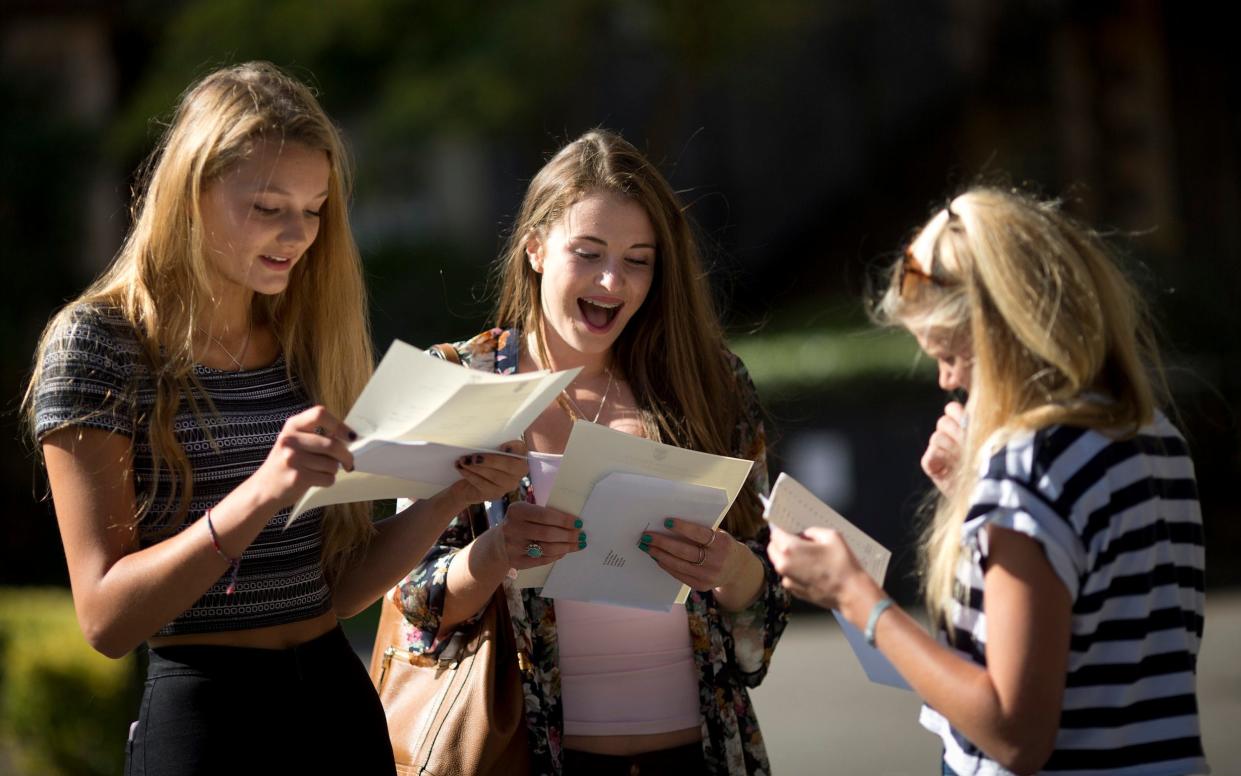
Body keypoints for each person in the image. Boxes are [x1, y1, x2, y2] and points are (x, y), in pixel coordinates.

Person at [23, 61, 524, 775]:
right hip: (209, 722)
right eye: (269, 207)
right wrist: (261, 492)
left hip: (337, 706)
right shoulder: (101, 344)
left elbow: (332, 588)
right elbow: (105, 619)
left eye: (314, 209)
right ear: (191, 195)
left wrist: (452, 494)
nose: (298, 234)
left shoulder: (303, 339)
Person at [768, 188, 1209, 775]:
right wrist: (978, 499)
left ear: (1001, 337)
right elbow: (1102, 628)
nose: (947, 379)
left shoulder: (1028, 467)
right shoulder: (1153, 436)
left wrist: (855, 595)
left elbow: (1014, 732)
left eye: (951, 353)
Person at [390, 129, 789, 775]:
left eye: (638, 259)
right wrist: (495, 552)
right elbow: (414, 605)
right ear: (535, 247)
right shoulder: (461, 380)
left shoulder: (708, 381)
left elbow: (764, 615)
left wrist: (731, 569)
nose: (612, 280)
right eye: (589, 251)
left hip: (702, 754)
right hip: (529, 754)